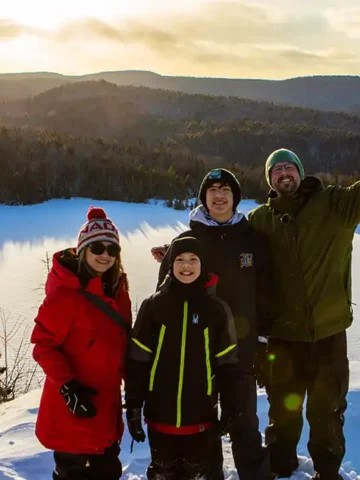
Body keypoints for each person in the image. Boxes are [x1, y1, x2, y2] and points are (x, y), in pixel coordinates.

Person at [151, 168, 272, 480]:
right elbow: (164, 301)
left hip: (241, 353)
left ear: (235, 197)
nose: (219, 196)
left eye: (226, 190)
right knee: (204, 429)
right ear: (204, 198)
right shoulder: (186, 242)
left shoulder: (253, 241)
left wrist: (263, 342)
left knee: (245, 423)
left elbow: (267, 295)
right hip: (196, 357)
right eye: (213, 189)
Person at [248, 148, 356, 480]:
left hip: (328, 333)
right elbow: (221, 246)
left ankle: (327, 471)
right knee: (283, 411)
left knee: (327, 412)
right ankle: (281, 467)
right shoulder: (259, 221)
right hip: (283, 338)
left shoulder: (335, 204)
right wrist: (181, 251)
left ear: (300, 172)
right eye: (276, 169)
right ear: (269, 180)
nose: (283, 173)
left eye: (289, 167)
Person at [125, 236, 243, 480]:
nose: (186, 265)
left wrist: (231, 407)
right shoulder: (153, 306)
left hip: (202, 421)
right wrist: (134, 405)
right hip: (160, 419)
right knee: (163, 474)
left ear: (203, 264)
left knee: (203, 474)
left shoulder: (216, 309)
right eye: (179, 259)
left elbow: (228, 364)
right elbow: (138, 360)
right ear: (170, 264)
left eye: (193, 260)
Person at [31, 206, 132, 480]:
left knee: (108, 472)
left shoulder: (118, 291)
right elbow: (42, 345)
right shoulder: (65, 295)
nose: (105, 256)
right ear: (83, 249)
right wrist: (68, 387)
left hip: (106, 408)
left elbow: (123, 343)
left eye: (112, 250)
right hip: (72, 413)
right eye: (97, 248)